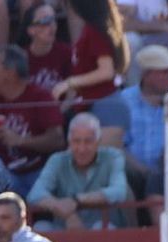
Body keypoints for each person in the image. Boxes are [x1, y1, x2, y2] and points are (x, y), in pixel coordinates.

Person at [0, 45, 64, 197]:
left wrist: (20, 140)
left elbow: (57, 140)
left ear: (9, 74)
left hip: (37, 172)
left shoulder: (40, 97)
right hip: (5, 174)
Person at [27, 111, 129, 229]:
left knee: (101, 227)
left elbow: (119, 191)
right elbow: (35, 194)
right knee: (41, 227)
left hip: (102, 228)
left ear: (98, 142)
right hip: (65, 228)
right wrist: (66, 211)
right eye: (76, 141)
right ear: (69, 142)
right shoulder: (57, 160)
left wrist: (76, 200)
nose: (82, 149)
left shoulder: (113, 157)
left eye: (88, 141)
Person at [119, 44, 168, 192]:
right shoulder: (124, 100)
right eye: (164, 72)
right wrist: (142, 171)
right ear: (146, 74)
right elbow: (118, 145)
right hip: (134, 175)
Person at [53, 0, 130, 146]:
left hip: (107, 106)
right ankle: (144, 170)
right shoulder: (91, 29)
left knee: (103, 164)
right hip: (91, 105)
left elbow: (106, 71)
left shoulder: (95, 30)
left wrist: (69, 82)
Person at [119, 0, 168, 90]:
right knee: (130, 40)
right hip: (140, 40)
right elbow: (122, 23)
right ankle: (134, 97)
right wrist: (166, 27)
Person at [21, 2, 72, 95]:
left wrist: (62, 109)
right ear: (31, 30)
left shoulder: (67, 53)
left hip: (61, 108)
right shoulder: (21, 58)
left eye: (53, 20)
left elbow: (73, 92)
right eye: (45, 21)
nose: (52, 26)